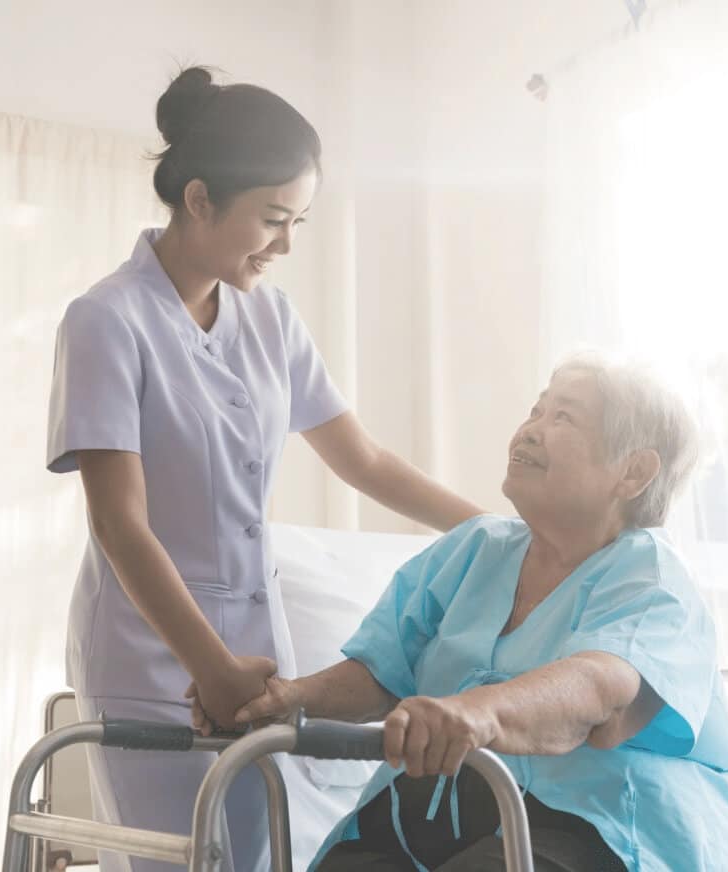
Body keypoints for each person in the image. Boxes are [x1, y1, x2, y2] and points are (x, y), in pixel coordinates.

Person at [46, 65, 484, 872]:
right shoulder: (106, 321)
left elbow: (364, 459)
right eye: (273, 219)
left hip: (257, 654)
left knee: (260, 856)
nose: (285, 244)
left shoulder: (269, 316)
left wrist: (495, 532)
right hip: (152, 652)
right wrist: (207, 667)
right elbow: (119, 524)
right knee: (178, 861)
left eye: (299, 221)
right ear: (201, 200)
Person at [199, 355, 728, 872]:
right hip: (440, 809)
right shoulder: (475, 549)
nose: (531, 428)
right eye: (536, 409)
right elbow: (381, 673)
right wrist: (286, 700)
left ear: (633, 472)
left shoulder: (650, 574)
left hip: (605, 820)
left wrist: (478, 714)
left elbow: (600, 687)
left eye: (564, 417)